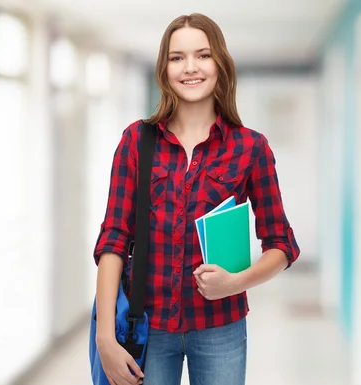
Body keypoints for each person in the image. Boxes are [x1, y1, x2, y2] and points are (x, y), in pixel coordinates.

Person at [93, 12, 300, 385]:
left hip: (221, 327)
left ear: (220, 62)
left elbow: (282, 245)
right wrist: (105, 336)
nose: (190, 67)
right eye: (177, 57)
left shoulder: (250, 147)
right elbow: (113, 239)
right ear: (164, 68)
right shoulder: (136, 142)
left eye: (202, 55)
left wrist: (237, 282)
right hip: (147, 327)